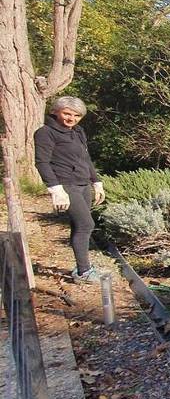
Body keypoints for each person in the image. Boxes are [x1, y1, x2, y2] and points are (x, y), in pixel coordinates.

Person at [34, 96, 106, 283]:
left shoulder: (78, 131)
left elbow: (85, 158)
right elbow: (42, 162)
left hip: (83, 184)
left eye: (76, 115)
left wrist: (96, 182)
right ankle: (84, 271)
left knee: (78, 225)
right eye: (67, 113)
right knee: (86, 224)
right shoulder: (45, 132)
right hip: (65, 184)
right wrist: (55, 189)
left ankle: (81, 267)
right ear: (56, 112)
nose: (71, 118)